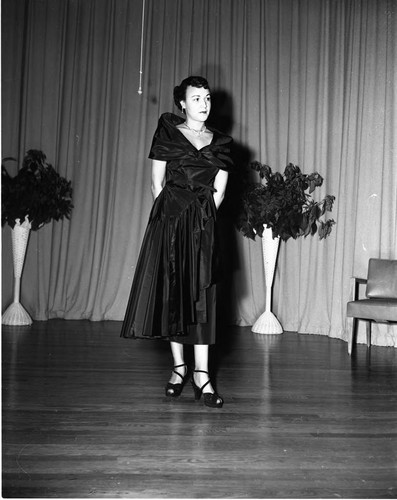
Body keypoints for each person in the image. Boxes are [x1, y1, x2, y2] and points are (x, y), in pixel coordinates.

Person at [121, 76, 233, 408]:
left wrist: (201, 222)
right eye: (196, 98)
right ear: (182, 103)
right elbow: (156, 184)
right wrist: (172, 222)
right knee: (173, 293)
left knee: (202, 296)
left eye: (208, 98)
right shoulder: (168, 133)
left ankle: (202, 375)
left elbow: (221, 190)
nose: (204, 103)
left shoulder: (222, 142)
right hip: (169, 222)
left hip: (204, 225)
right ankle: (179, 369)